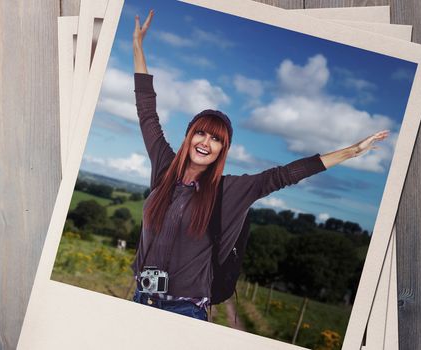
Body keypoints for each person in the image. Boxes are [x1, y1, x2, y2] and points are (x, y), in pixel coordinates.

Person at [128, 10, 390, 322]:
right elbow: (147, 113)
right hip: (140, 299)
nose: (205, 142)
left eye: (216, 139)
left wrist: (351, 152)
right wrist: (137, 48)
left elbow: (283, 175)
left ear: (222, 150)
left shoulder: (230, 191)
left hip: (185, 311)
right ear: (188, 136)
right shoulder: (164, 168)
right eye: (200, 132)